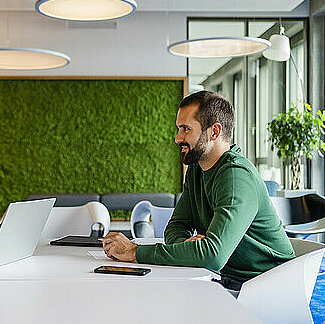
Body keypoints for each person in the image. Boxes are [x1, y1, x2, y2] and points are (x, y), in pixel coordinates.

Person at [102, 90, 295, 291]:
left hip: (263, 287)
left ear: (214, 132)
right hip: (222, 277)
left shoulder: (237, 176)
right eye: (178, 129)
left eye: (186, 129)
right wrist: (188, 247)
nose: (178, 138)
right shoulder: (196, 170)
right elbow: (177, 226)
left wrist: (134, 252)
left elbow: (212, 256)